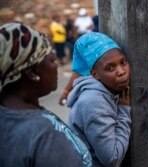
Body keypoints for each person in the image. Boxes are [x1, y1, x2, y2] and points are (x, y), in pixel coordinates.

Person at [0, 23, 92, 167]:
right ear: (32, 72)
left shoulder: (8, 114)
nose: (56, 66)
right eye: (52, 60)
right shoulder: (44, 135)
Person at [66, 32, 131, 167]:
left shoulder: (107, 90)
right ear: (95, 74)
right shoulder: (94, 102)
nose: (121, 71)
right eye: (110, 68)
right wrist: (124, 111)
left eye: (123, 62)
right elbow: (112, 158)